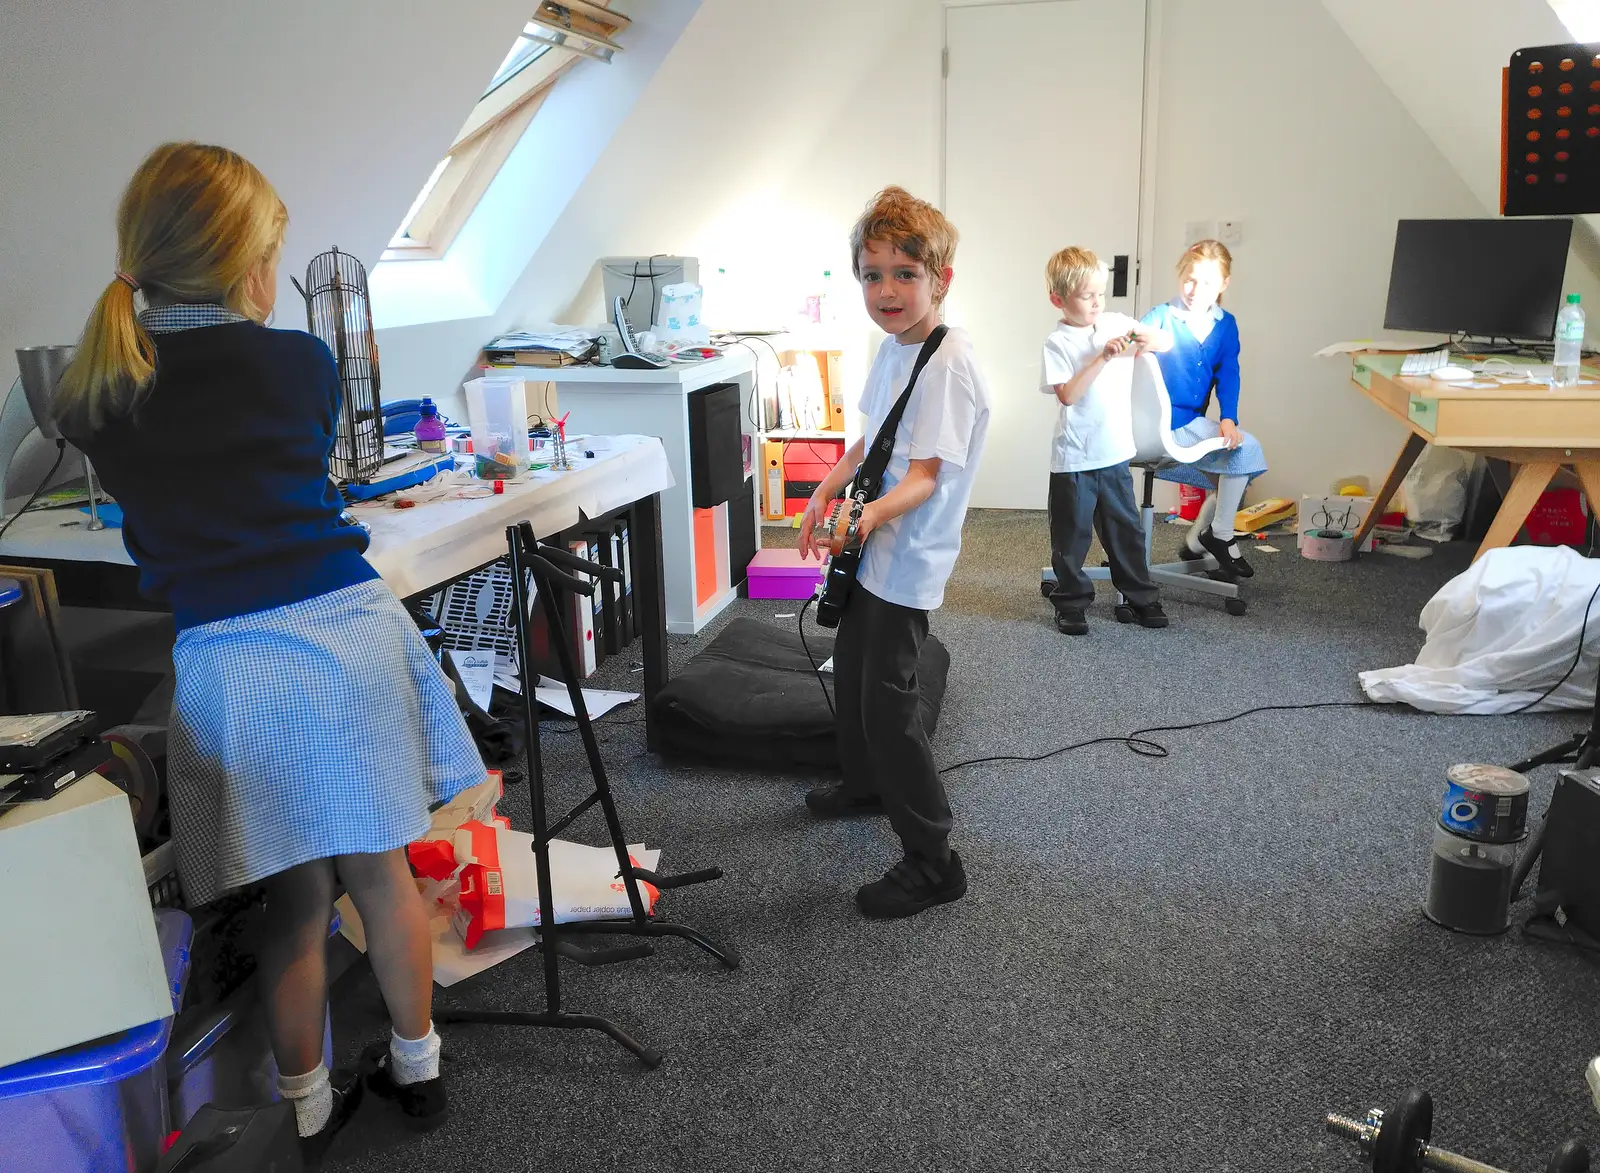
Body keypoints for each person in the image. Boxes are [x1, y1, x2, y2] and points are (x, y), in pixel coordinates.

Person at [54, 143, 484, 1163]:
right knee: (382, 874)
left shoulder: (97, 395)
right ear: (244, 262)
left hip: (230, 665)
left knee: (293, 903)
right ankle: (417, 1074)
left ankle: (304, 1109)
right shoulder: (301, 363)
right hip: (343, 633)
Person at [797, 186, 990, 919]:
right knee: (852, 676)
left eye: (905, 274)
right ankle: (864, 783)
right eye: (873, 274)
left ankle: (933, 858)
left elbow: (924, 474)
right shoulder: (894, 349)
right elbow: (871, 440)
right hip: (874, 544)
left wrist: (864, 518)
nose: (887, 290)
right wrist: (824, 491)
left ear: (941, 279)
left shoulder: (948, 365)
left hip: (908, 559)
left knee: (890, 703)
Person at [1040, 246, 1174, 635]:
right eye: (1086, 296)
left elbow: (1164, 341)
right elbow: (1068, 394)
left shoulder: (1115, 322)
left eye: (1100, 293)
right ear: (1059, 300)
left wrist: (1146, 339)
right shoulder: (1058, 342)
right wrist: (1100, 358)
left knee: (1125, 532)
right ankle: (1071, 603)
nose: (1097, 302)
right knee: (1072, 537)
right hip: (1075, 459)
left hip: (1114, 453)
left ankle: (1141, 597)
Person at [1140, 239, 1267, 580]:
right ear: (1180, 274)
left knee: (1240, 465)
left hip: (1190, 425)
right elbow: (1132, 344)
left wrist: (1228, 418)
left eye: (1207, 282)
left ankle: (1197, 543)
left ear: (1224, 284)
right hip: (1165, 426)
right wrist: (1140, 341)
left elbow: (1229, 374)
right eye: (1189, 279)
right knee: (1248, 453)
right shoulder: (1161, 317)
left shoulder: (1225, 325)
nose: (1195, 290)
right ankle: (1220, 536)